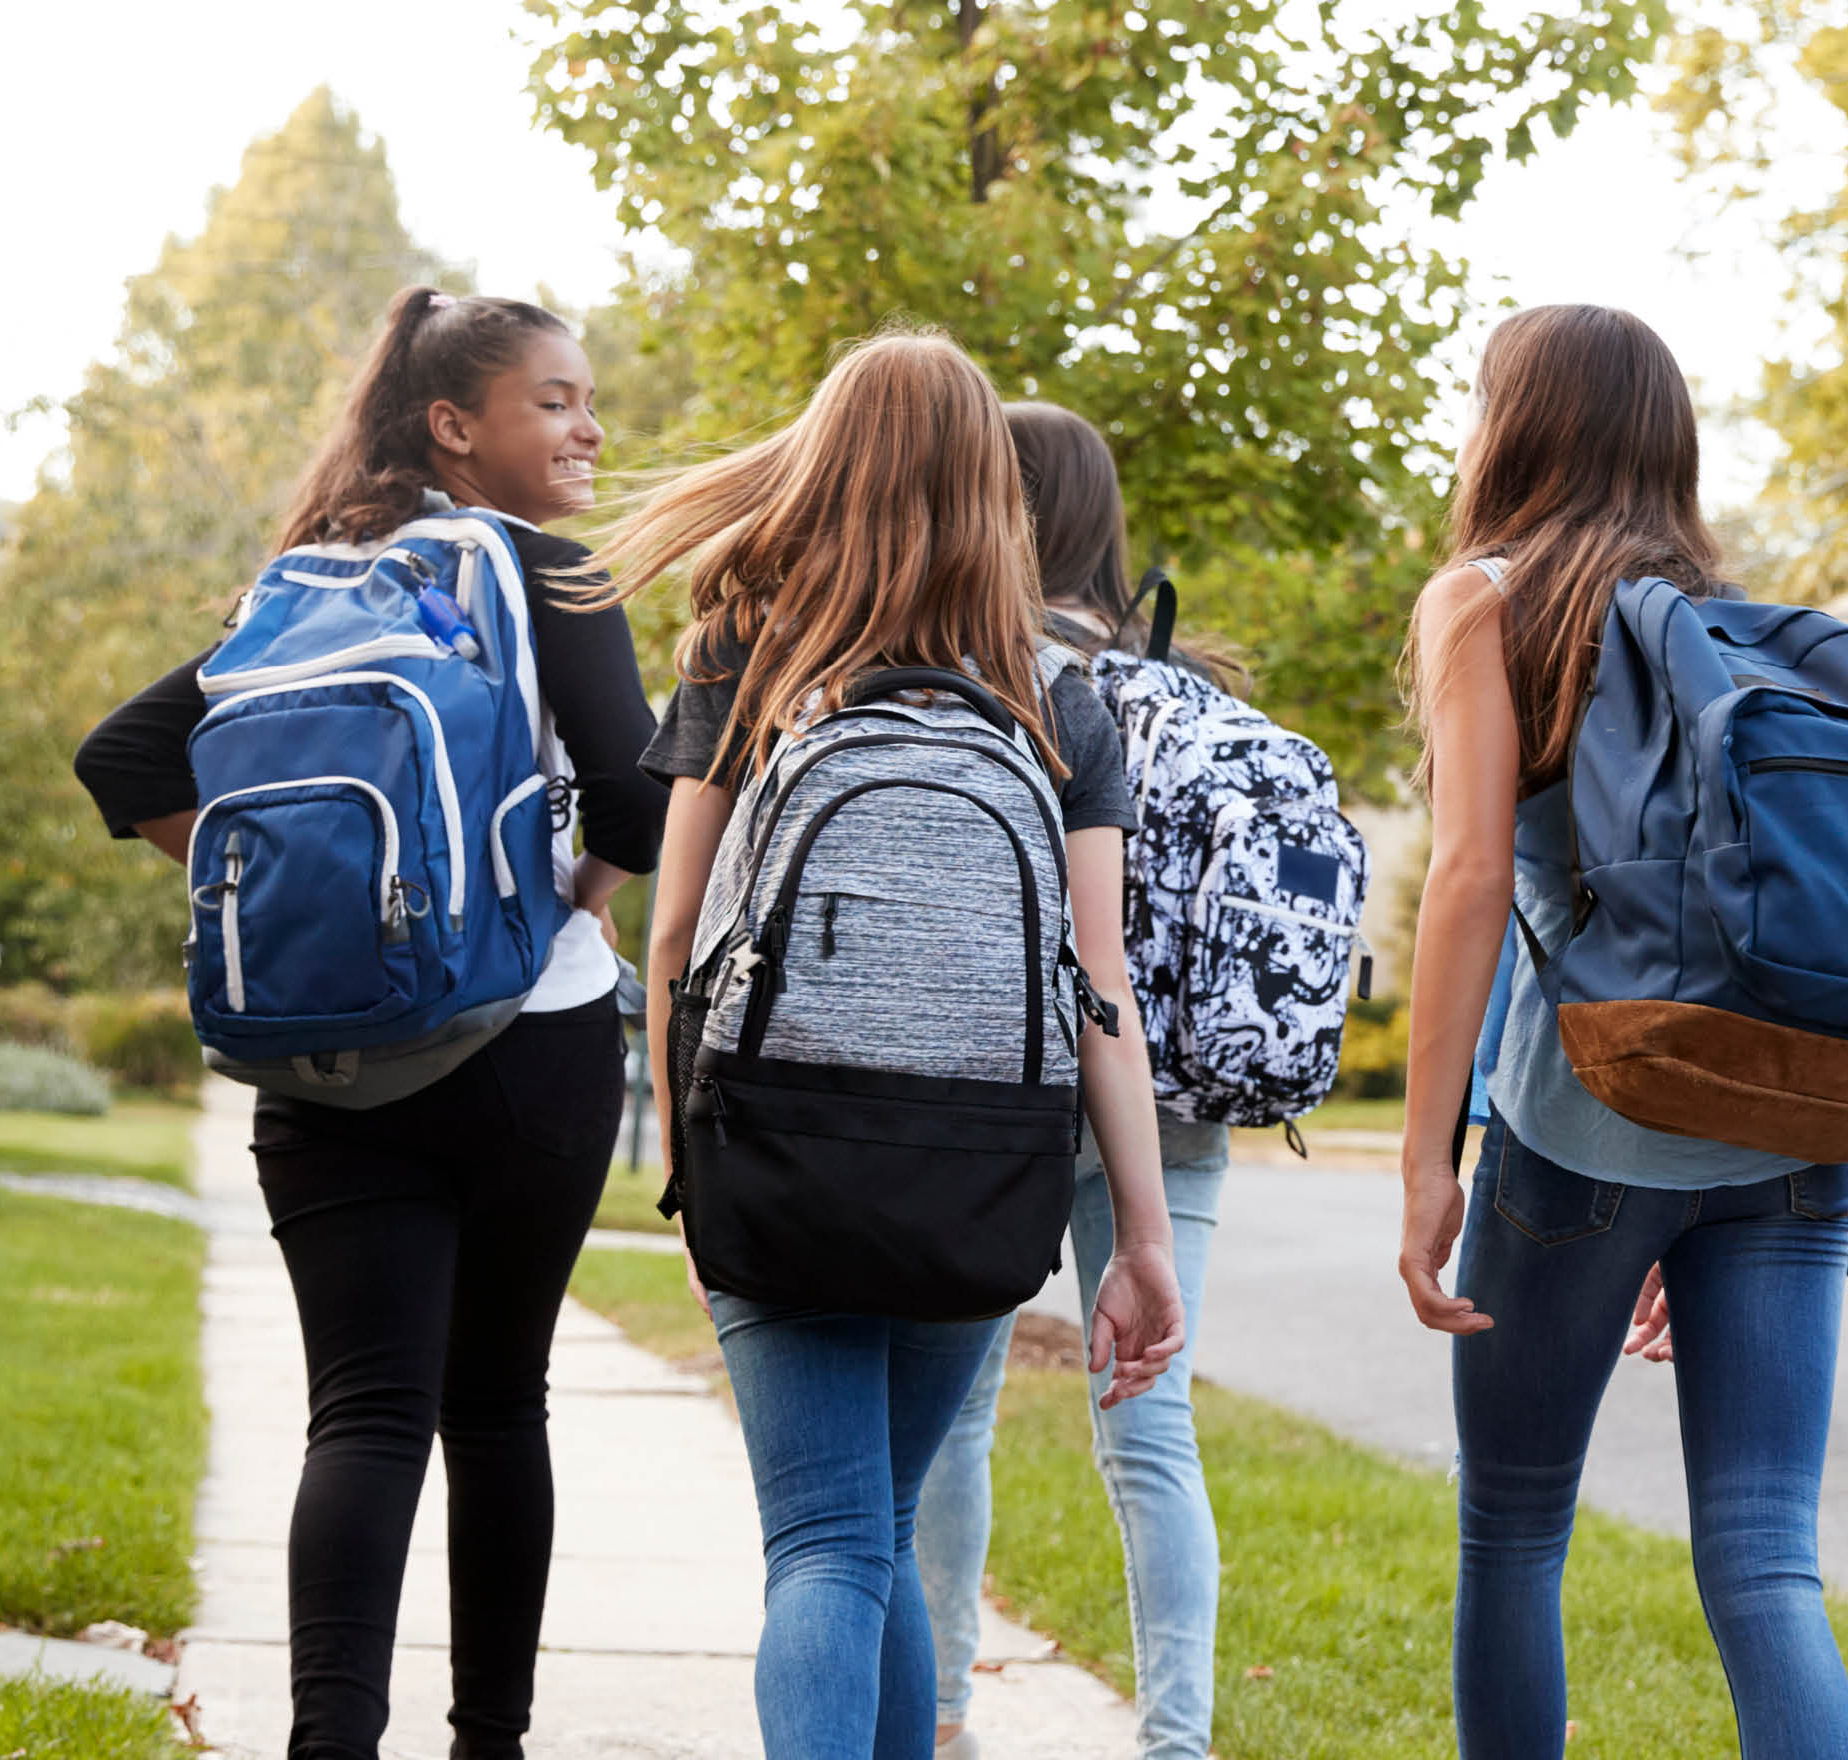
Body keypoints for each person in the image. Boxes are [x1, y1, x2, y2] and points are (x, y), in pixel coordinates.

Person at [71, 287, 664, 1760]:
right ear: (456, 426)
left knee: (365, 1416)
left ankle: (327, 1742)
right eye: (557, 401)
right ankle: (488, 1746)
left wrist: (296, 897)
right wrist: (558, 898)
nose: (590, 427)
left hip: (323, 1058)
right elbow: (647, 804)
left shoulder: (299, 583)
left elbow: (122, 754)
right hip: (529, 1047)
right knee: (496, 1408)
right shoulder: (550, 574)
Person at [610, 331, 1189, 1760]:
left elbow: (673, 936)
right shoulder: (1056, 699)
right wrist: (1143, 1240)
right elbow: (1097, 990)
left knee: (823, 1544)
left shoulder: (746, 654)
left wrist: (689, 1169)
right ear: (992, 489)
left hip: (778, 1141)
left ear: (821, 463)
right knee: (877, 1531)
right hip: (982, 1166)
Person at [1397, 304, 1848, 1760]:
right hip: (1795, 1135)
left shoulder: (1488, 598)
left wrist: (1427, 1159)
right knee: (1764, 1556)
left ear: (1514, 426)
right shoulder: (1752, 631)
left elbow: (1472, 879)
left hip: (1587, 1128)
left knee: (1517, 1531)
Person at [913, 402, 1228, 1760]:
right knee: (1154, 1436)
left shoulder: (982, 675)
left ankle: (935, 1716)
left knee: (956, 1422)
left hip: (1020, 1082)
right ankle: (1176, 1740)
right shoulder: (1195, 681)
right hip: (1179, 1105)